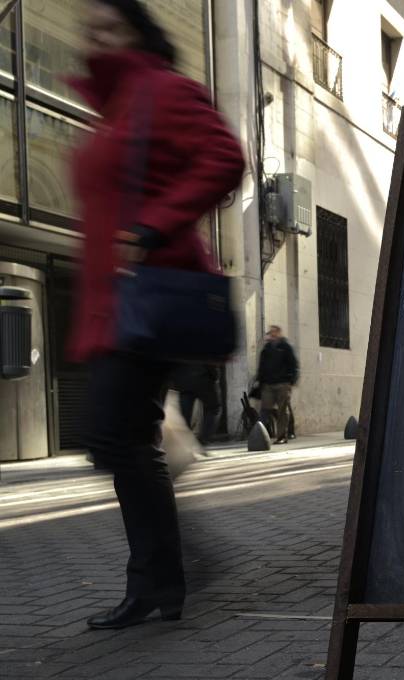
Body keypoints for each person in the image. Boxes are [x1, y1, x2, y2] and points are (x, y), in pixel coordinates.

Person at [69, 0, 244, 629]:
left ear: (139, 32)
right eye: (89, 30)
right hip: (111, 306)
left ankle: (163, 579)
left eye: (110, 27)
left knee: (117, 438)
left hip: (144, 302)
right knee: (120, 440)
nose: (96, 39)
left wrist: (150, 225)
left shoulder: (163, 92)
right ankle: (166, 578)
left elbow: (225, 157)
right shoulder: (110, 112)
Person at [256, 325, 299, 445]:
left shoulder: (285, 347)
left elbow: (293, 365)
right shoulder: (266, 349)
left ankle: (281, 436)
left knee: (282, 410)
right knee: (265, 410)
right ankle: (258, 434)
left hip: (282, 383)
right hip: (268, 384)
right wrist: (261, 381)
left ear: (279, 333)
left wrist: (291, 381)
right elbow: (262, 366)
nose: (271, 335)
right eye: (270, 333)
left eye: (274, 333)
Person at [172, 364, 221, 446]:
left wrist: (174, 379)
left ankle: (185, 441)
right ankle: (203, 439)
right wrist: (215, 375)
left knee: (185, 414)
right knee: (213, 409)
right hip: (203, 379)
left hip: (183, 381)